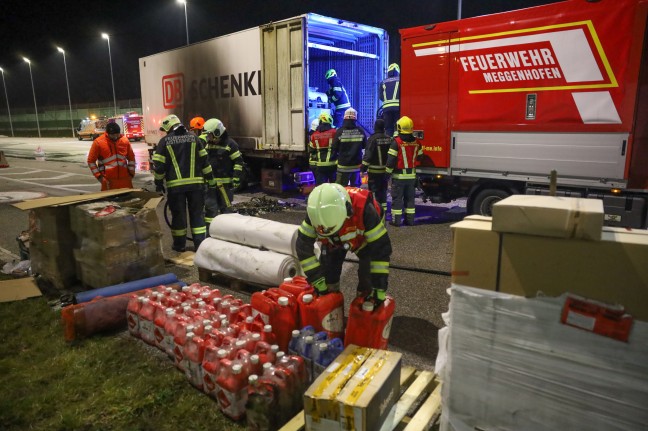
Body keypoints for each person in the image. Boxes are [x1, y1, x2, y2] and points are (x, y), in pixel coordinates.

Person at [295, 183, 391, 306]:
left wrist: (379, 287)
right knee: (328, 275)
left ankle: (363, 303)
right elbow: (303, 247)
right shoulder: (316, 213)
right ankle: (332, 309)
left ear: (348, 211)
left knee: (368, 280)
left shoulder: (365, 210)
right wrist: (318, 281)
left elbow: (381, 251)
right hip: (333, 244)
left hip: (366, 241)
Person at [153, 114, 217, 252]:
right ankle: (200, 245)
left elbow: (159, 167)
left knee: (178, 217)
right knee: (197, 215)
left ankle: (179, 245)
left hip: (176, 188)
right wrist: (211, 181)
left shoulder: (164, 142)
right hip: (197, 187)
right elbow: (205, 163)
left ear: (169, 127)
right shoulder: (195, 139)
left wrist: (158, 184)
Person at [201, 118, 244, 224]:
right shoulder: (207, 145)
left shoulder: (230, 144)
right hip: (210, 186)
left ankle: (227, 235)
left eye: (210, 135)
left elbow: (238, 162)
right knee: (210, 211)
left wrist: (237, 177)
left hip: (225, 187)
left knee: (227, 211)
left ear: (217, 132)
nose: (208, 137)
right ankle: (210, 235)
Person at [385, 116, 423, 227]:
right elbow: (420, 157)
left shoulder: (396, 142)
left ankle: (396, 222)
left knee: (397, 200)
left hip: (398, 177)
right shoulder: (417, 142)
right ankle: (410, 221)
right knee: (410, 200)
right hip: (412, 178)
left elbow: (391, 160)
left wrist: (387, 174)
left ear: (399, 127)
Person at [87, 122, 136, 191]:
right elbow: (91, 161)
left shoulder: (125, 141)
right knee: (109, 201)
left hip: (125, 180)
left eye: (117, 134)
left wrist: (131, 174)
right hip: (108, 181)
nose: (115, 137)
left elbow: (131, 158)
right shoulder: (98, 142)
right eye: (113, 135)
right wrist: (100, 177)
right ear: (107, 133)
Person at [362, 119, 392, 215]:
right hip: (385, 171)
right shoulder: (389, 138)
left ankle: (375, 212)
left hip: (374, 172)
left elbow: (368, 155)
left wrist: (363, 168)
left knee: (374, 193)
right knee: (383, 192)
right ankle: (383, 212)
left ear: (375, 127)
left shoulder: (372, 139)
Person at [332, 108, 366, 187]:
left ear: (344, 118)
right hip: (356, 167)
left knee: (341, 189)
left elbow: (334, 148)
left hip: (343, 167)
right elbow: (365, 146)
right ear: (355, 119)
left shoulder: (339, 132)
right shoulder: (360, 131)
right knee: (356, 191)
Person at [309, 112, 337, 185]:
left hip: (320, 166)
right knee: (334, 186)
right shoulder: (334, 132)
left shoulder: (314, 135)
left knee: (320, 187)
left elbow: (311, 150)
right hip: (333, 165)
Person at [379, 63, 401, 137]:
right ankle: (396, 145)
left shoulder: (383, 82)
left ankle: (388, 145)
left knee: (388, 129)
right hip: (398, 108)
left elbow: (381, 97)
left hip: (386, 109)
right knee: (398, 128)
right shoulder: (401, 80)